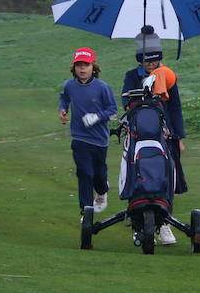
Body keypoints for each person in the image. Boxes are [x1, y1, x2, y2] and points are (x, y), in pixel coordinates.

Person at [122, 25, 186, 245]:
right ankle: (138, 221)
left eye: (155, 62)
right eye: (148, 62)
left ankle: (164, 221)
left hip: (165, 133)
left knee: (168, 173)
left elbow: (175, 107)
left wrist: (179, 136)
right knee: (135, 168)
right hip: (139, 131)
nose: (152, 66)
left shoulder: (168, 75)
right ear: (140, 60)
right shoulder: (132, 76)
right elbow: (126, 101)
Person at [58, 46, 117, 214]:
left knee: (98, 175)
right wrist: (63, 110)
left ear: (93, 67)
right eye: (79, 65)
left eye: (86, 65)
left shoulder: (102, 87)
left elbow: (112, 110)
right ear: (74, 68)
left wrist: (97, 117)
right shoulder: (69, 85)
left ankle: (102, 191)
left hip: (99, 139)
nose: (82, 68)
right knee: (84, 173)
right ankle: (86, 210)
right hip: (79, 137)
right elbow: (64, 98)